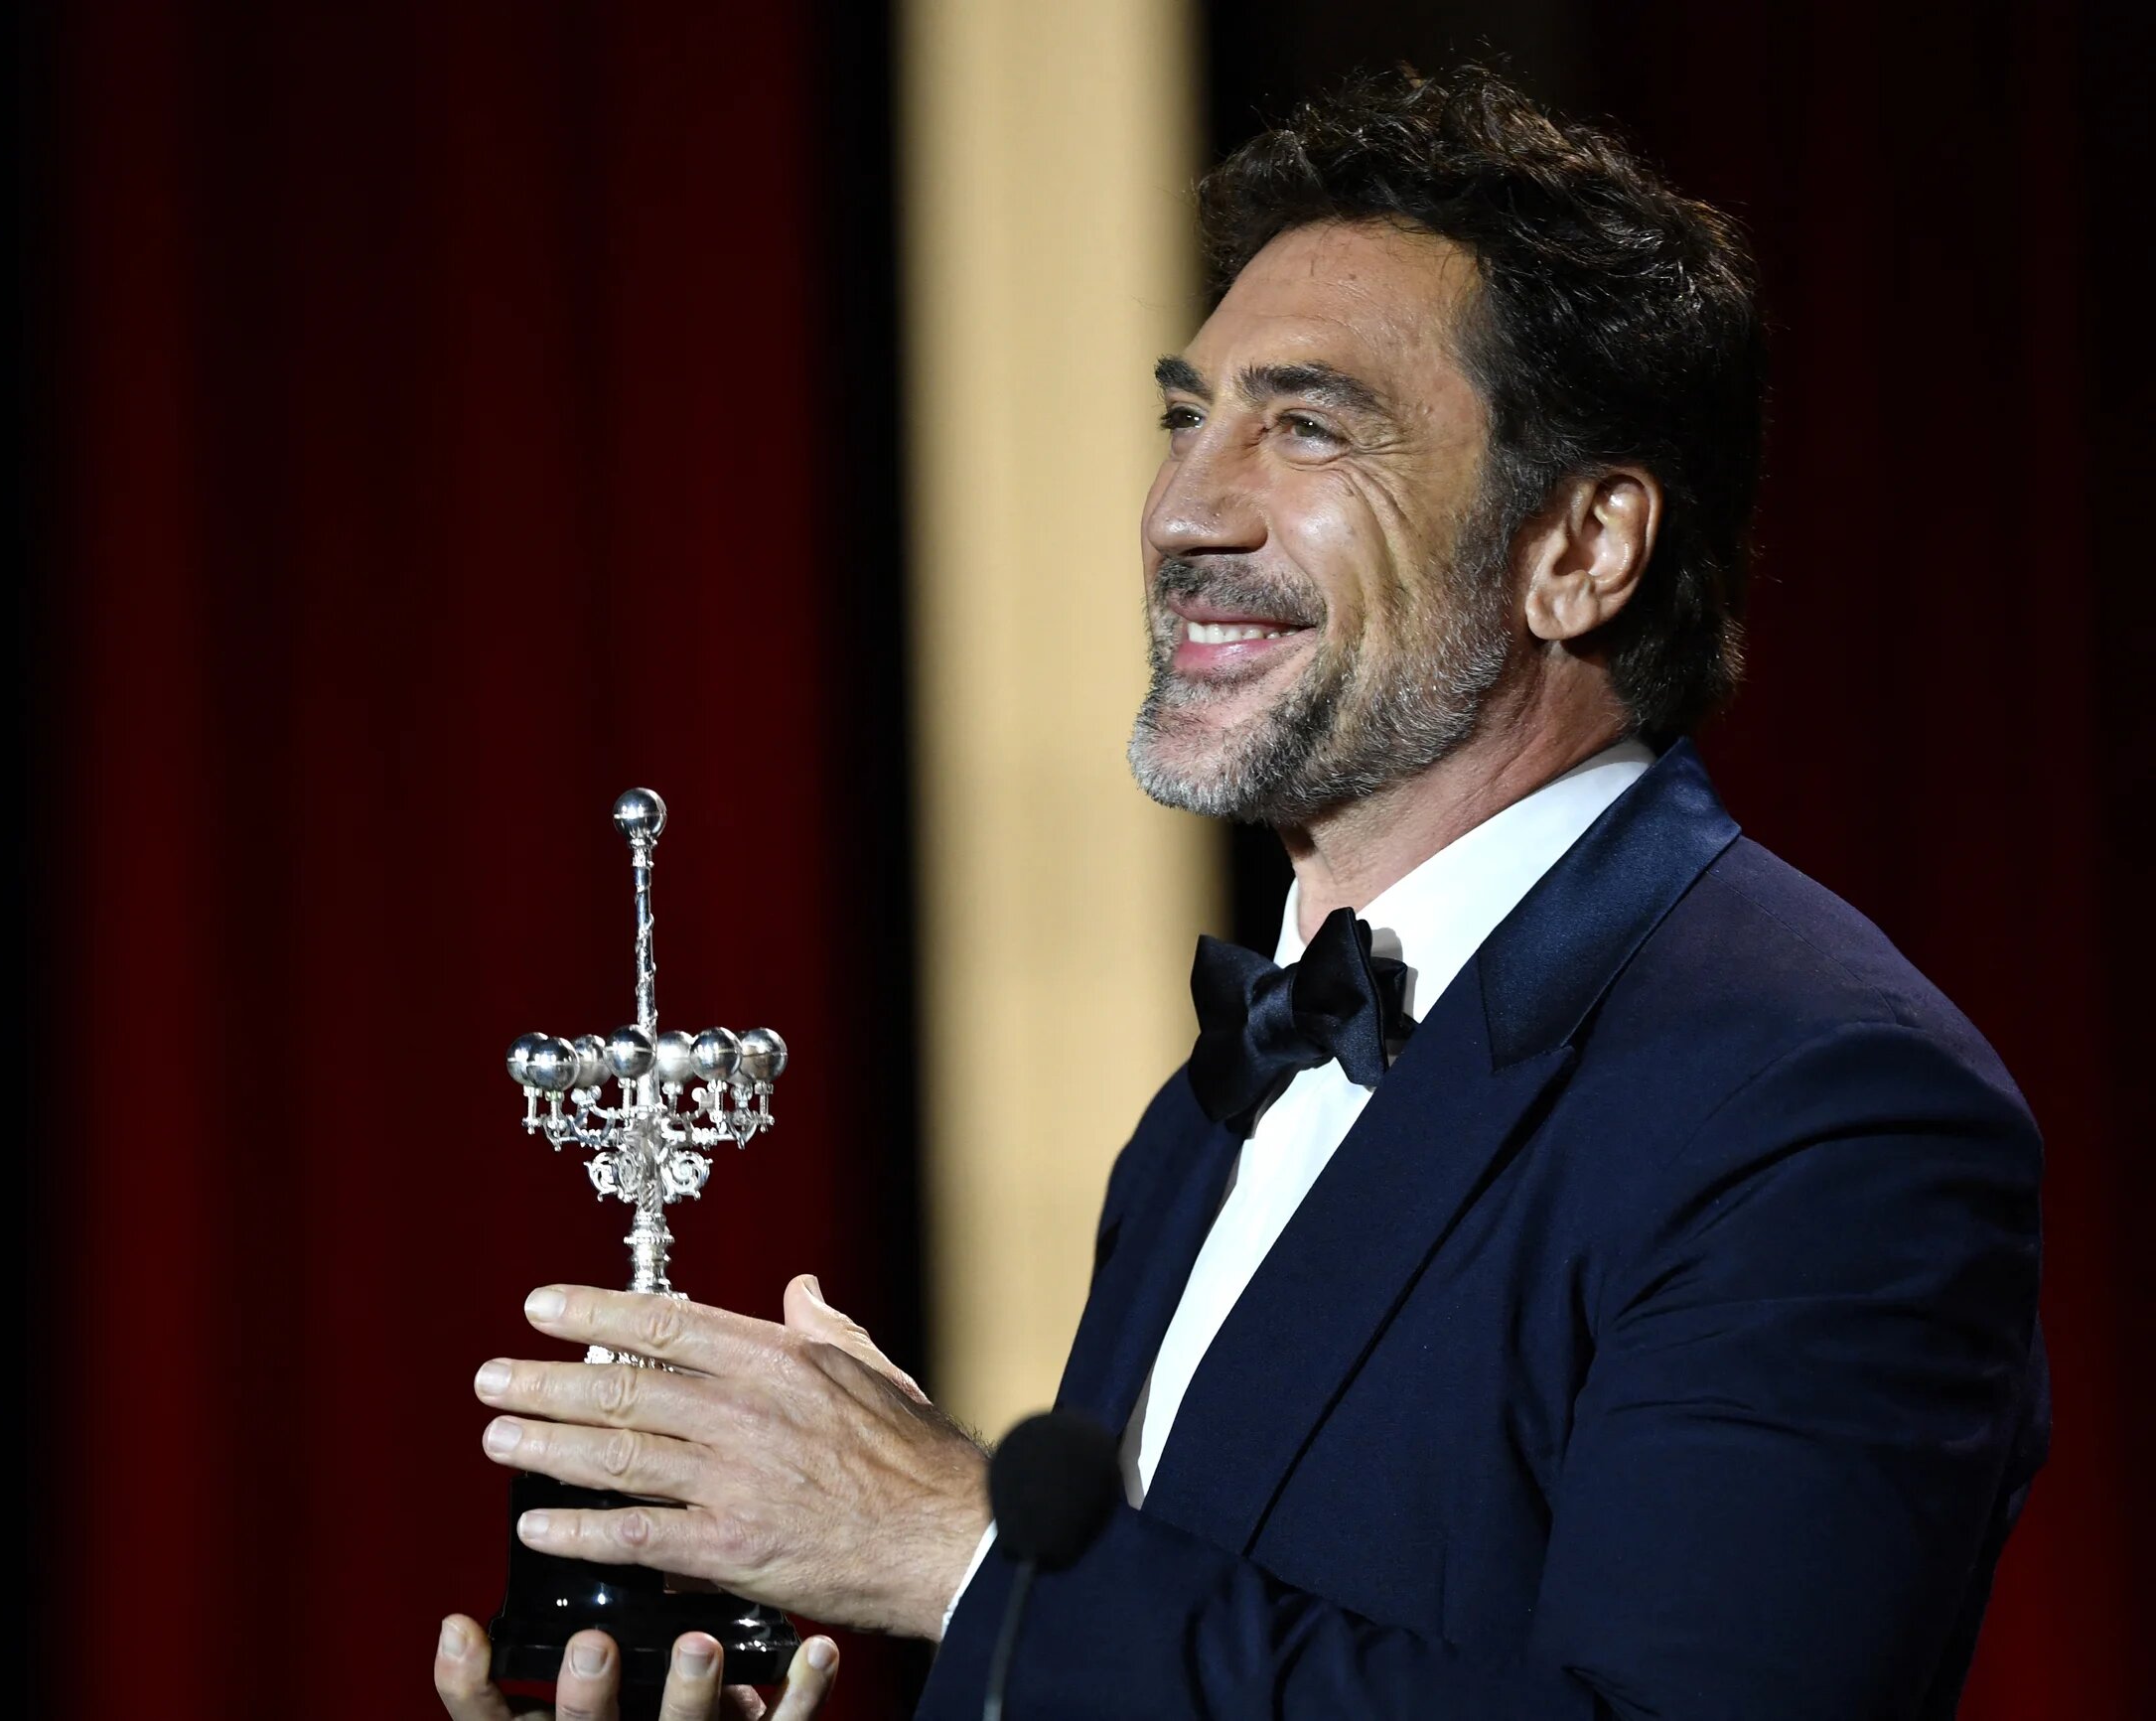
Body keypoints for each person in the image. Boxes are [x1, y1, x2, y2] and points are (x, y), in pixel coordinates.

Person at [434, 64, 2048, 1720]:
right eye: (1183, 415)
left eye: (1306, 424)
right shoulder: (1212, 1106)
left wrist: (953, 1544)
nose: (1181, 512)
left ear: (1582, 548)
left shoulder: (1821, 1102)